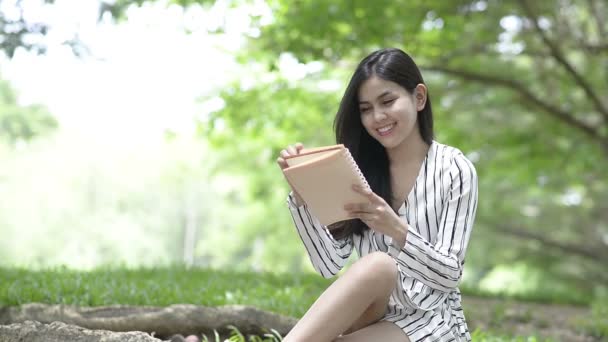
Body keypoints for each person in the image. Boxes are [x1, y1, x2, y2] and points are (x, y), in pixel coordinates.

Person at [276, 48, 478, 342]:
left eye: (387, 101)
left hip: (431, 323)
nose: (377, 117)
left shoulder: (454, 170)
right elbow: (328, 264)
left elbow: (449, 276)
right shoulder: (356, 171)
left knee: (379, 263)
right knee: (377, 267)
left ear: (419, 97)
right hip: (370, 316)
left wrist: (396, 229)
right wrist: (302, 196)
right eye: (366, 108)